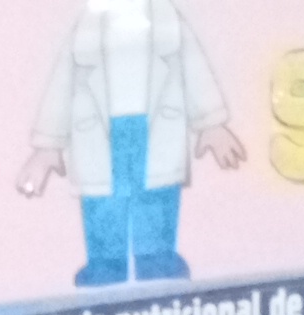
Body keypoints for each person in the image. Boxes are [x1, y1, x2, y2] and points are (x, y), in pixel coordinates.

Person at [17, 3, 243, 285]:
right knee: (102, 201)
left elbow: (195, 69)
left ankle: (156, 258)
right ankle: (106, 263)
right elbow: (61, 85)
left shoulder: (170, 22)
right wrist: (48, 146)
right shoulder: (84, 30)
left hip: (155, 127)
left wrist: (211, 123)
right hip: (100, 131)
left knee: (157, 196)